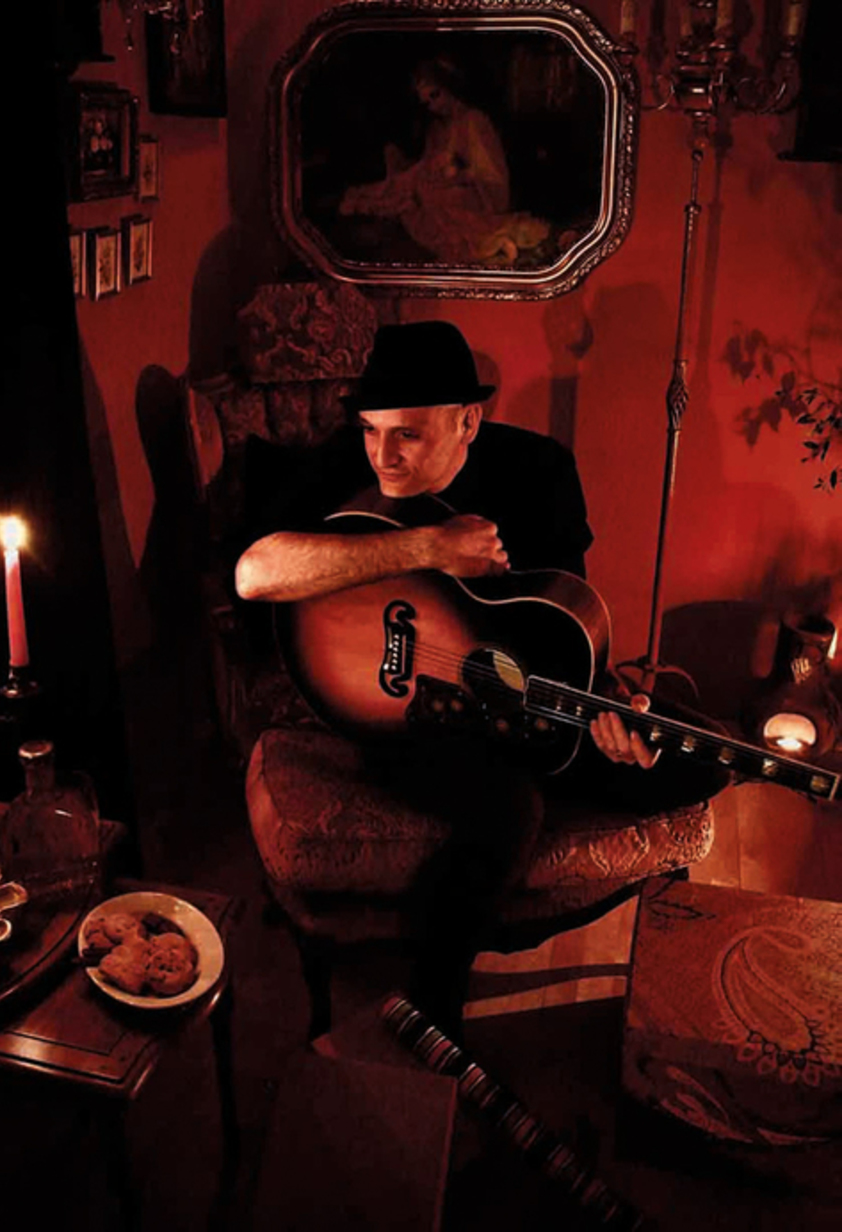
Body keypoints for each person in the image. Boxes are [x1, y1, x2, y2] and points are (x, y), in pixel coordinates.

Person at [236, 320, 724, 1037]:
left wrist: (609, 711)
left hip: (527, 704)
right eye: (372, 431)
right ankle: (429, 1018)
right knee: (509, 810)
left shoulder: (540, 472)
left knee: (701, 756)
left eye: (406, 434)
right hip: (392, 711)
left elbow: (567, 631)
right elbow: (255, 573)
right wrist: (427, 547)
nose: (383, 455)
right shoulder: (349, 464)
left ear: (467, 420)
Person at [339, 58, 549, 265]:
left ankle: (484, 243)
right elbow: (429, 165)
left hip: (480, 195)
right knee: (415, 192)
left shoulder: (473, 120)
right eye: (427, 102)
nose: (433, 106)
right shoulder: (436, 128)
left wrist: (457, 174)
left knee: (431, 195)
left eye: (435, 95)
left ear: (449, 86)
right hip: (445, 187)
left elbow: (490, 177)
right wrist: (436, 172)